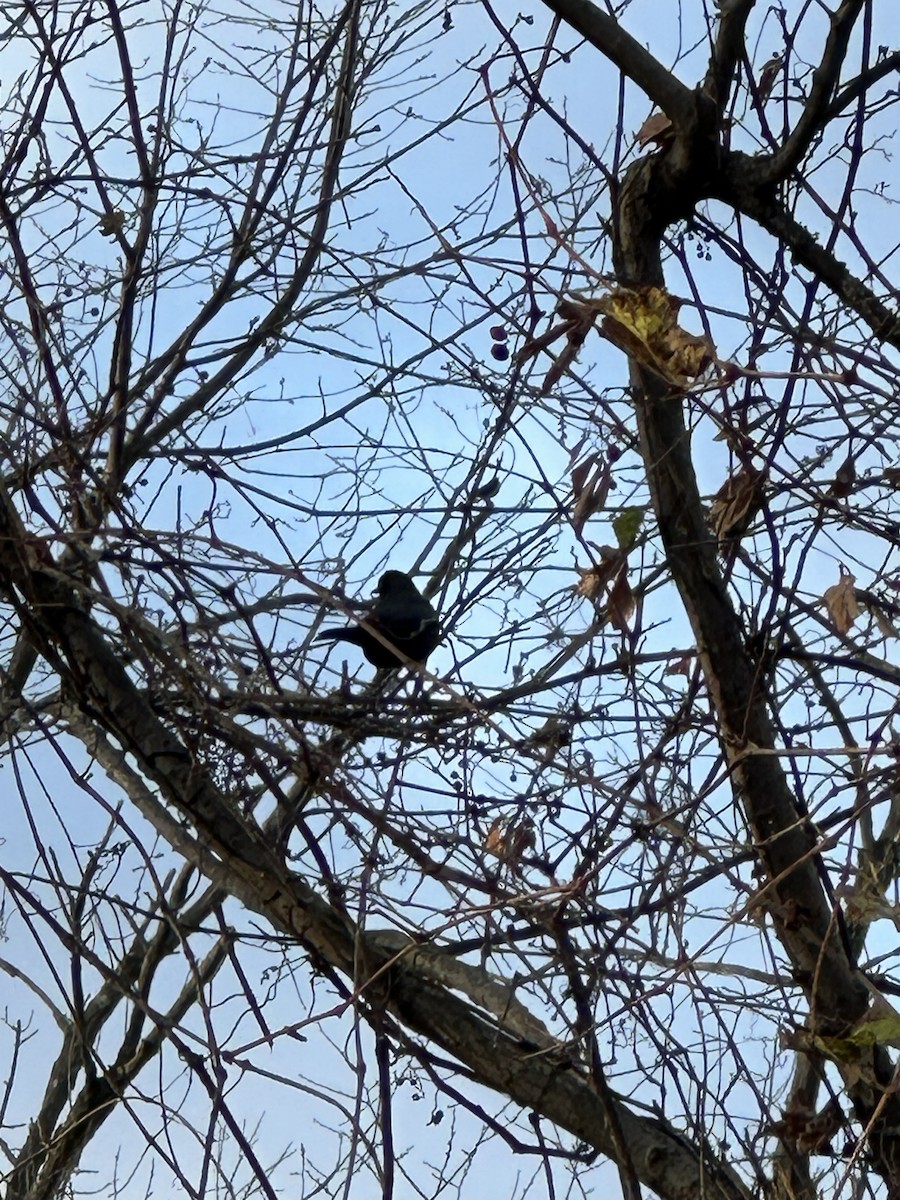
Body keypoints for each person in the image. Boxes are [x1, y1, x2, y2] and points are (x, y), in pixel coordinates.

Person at [315, 570, 440, 668]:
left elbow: (369, 629)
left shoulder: (388, 605)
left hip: (382, 649)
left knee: (365, 635)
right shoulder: (424, 606)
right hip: (416, 647)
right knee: (365, 635)